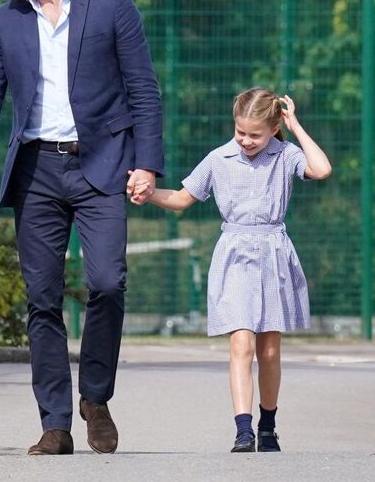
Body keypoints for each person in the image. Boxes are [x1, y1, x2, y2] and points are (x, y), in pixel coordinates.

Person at [0, 0, 164, 455]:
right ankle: (55, 423)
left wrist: (147, 164)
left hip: (102, 165)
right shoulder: (4, 22)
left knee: (108, 283)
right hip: (36, 173)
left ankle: (95, 396)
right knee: (42, 298)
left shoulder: (111, 3)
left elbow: (143, 88)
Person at [138, 88, 331, 453]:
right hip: (235, 255)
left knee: (269, 350)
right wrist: (148, 193)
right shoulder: (219, 158)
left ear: (273, 129)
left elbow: (321, 169)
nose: (246, 140)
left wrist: (295, 126)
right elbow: (181, 198)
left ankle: (268, 426)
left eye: (255, 134)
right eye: (241, 131)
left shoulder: (286, 155)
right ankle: (243, 430)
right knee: (241, 343)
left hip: (273, 254)